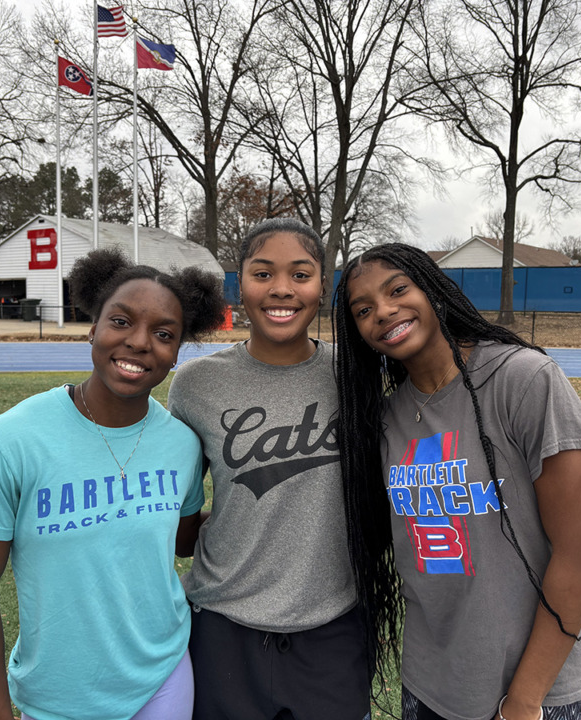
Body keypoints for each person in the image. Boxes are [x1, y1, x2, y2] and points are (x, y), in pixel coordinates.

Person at [333, 243, 581, 720]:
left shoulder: (523, 379)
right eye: (363, 309)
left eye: (398, 289)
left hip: (531, 694)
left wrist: (523, 702)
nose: (384, 311)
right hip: (428, 686)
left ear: (434, 291)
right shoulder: (386, 417)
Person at [0, 248, 227, 720]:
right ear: (92, 327)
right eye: (121, 322)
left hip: (164, 677)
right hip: (58, 695)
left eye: (164, 334)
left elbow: (184, 541)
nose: (140, 342)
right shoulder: (9, 439)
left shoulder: (183, 445)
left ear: (178, 350)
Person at [168, 218, 370, 720]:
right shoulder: (195, 385)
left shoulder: (356, 373)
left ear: (323, 285)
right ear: (241, 284)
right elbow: (181, 511)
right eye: (263, 274)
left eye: (300, 274)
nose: (282, 289)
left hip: (333, 626)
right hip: (223, 626)